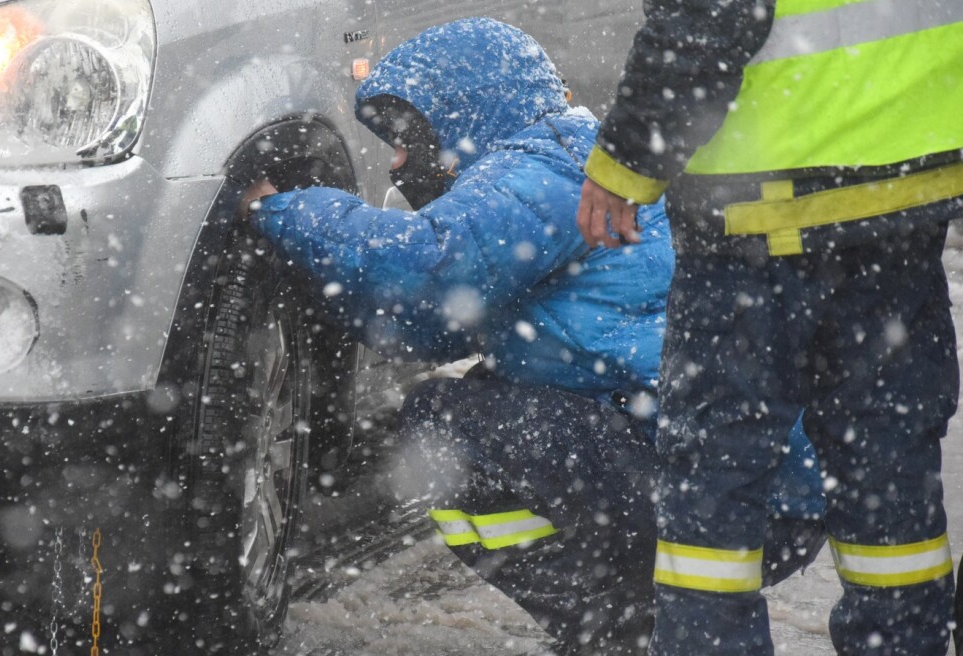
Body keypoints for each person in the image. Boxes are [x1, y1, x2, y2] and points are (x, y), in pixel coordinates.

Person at [244, 18, 825, 653]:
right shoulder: (580, 156)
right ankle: (633, 622)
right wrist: (332, 284)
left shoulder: (542, 166)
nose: (396, 161)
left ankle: (613, 628)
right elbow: (428, 327)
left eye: (407, 135)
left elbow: (426, 269)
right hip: (765, 489)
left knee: (445, 426)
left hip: (706, 482)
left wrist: (288, 209)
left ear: (463, 109)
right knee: (488, 397)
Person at [576, 1, 963, 654]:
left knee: (714, 489)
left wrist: (624, 166)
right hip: (903, 207)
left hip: (757, 222)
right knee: (889, 475)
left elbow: (705, 23)